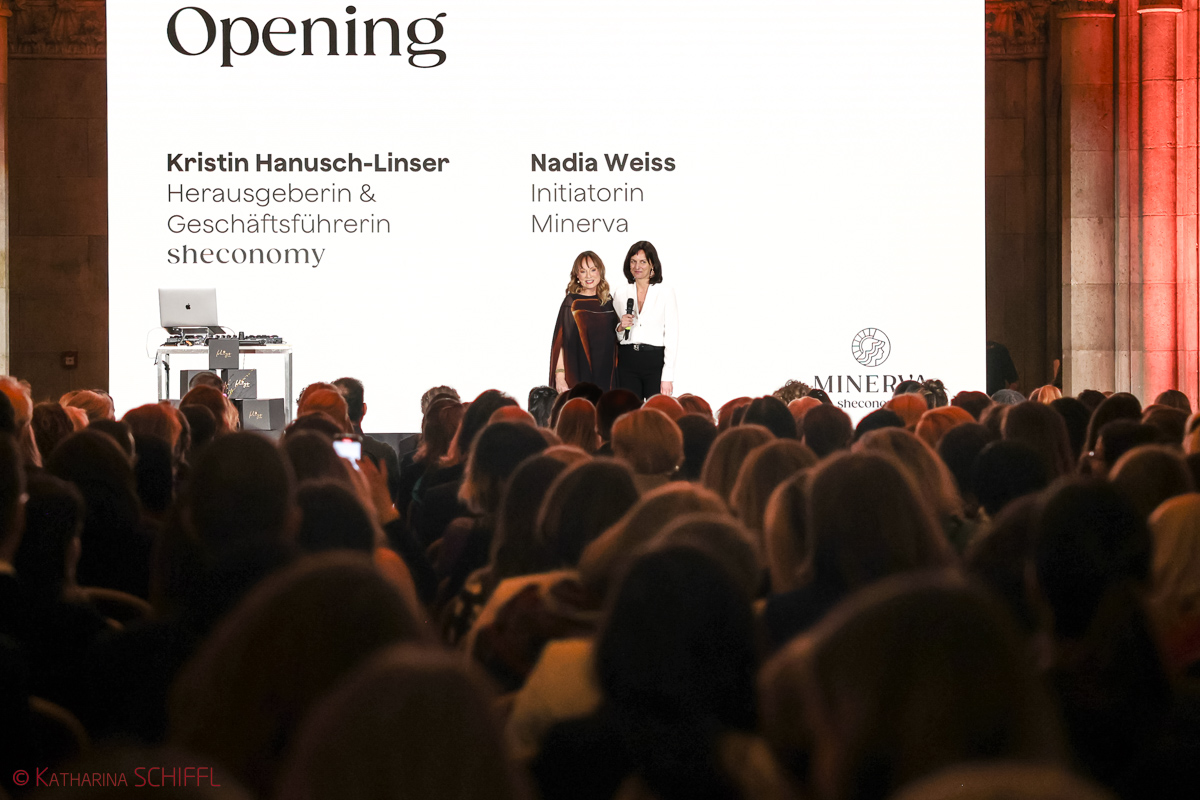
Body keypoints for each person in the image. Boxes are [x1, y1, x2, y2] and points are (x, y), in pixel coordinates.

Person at [612, 241, 679, 400]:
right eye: (633, 261)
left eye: (643, 262)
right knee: (629, 410)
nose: (637, 266)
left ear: (652, 265)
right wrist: (620, 328)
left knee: (655, 411)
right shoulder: (620, 293)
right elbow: (617, 336)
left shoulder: (665, 292)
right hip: (627, 361)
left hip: (655, 362)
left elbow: (671, 335)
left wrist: (667, 375)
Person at [550, 251, 619, 393]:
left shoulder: (609, 302)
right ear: (577, 275)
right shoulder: (572, 303)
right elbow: (561, 343)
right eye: (583, 271)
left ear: (600, 271)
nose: (588, 276)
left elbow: (618, 340)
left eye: (593, 270)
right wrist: (560, 376)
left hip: (608, 378)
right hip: (578, 376)